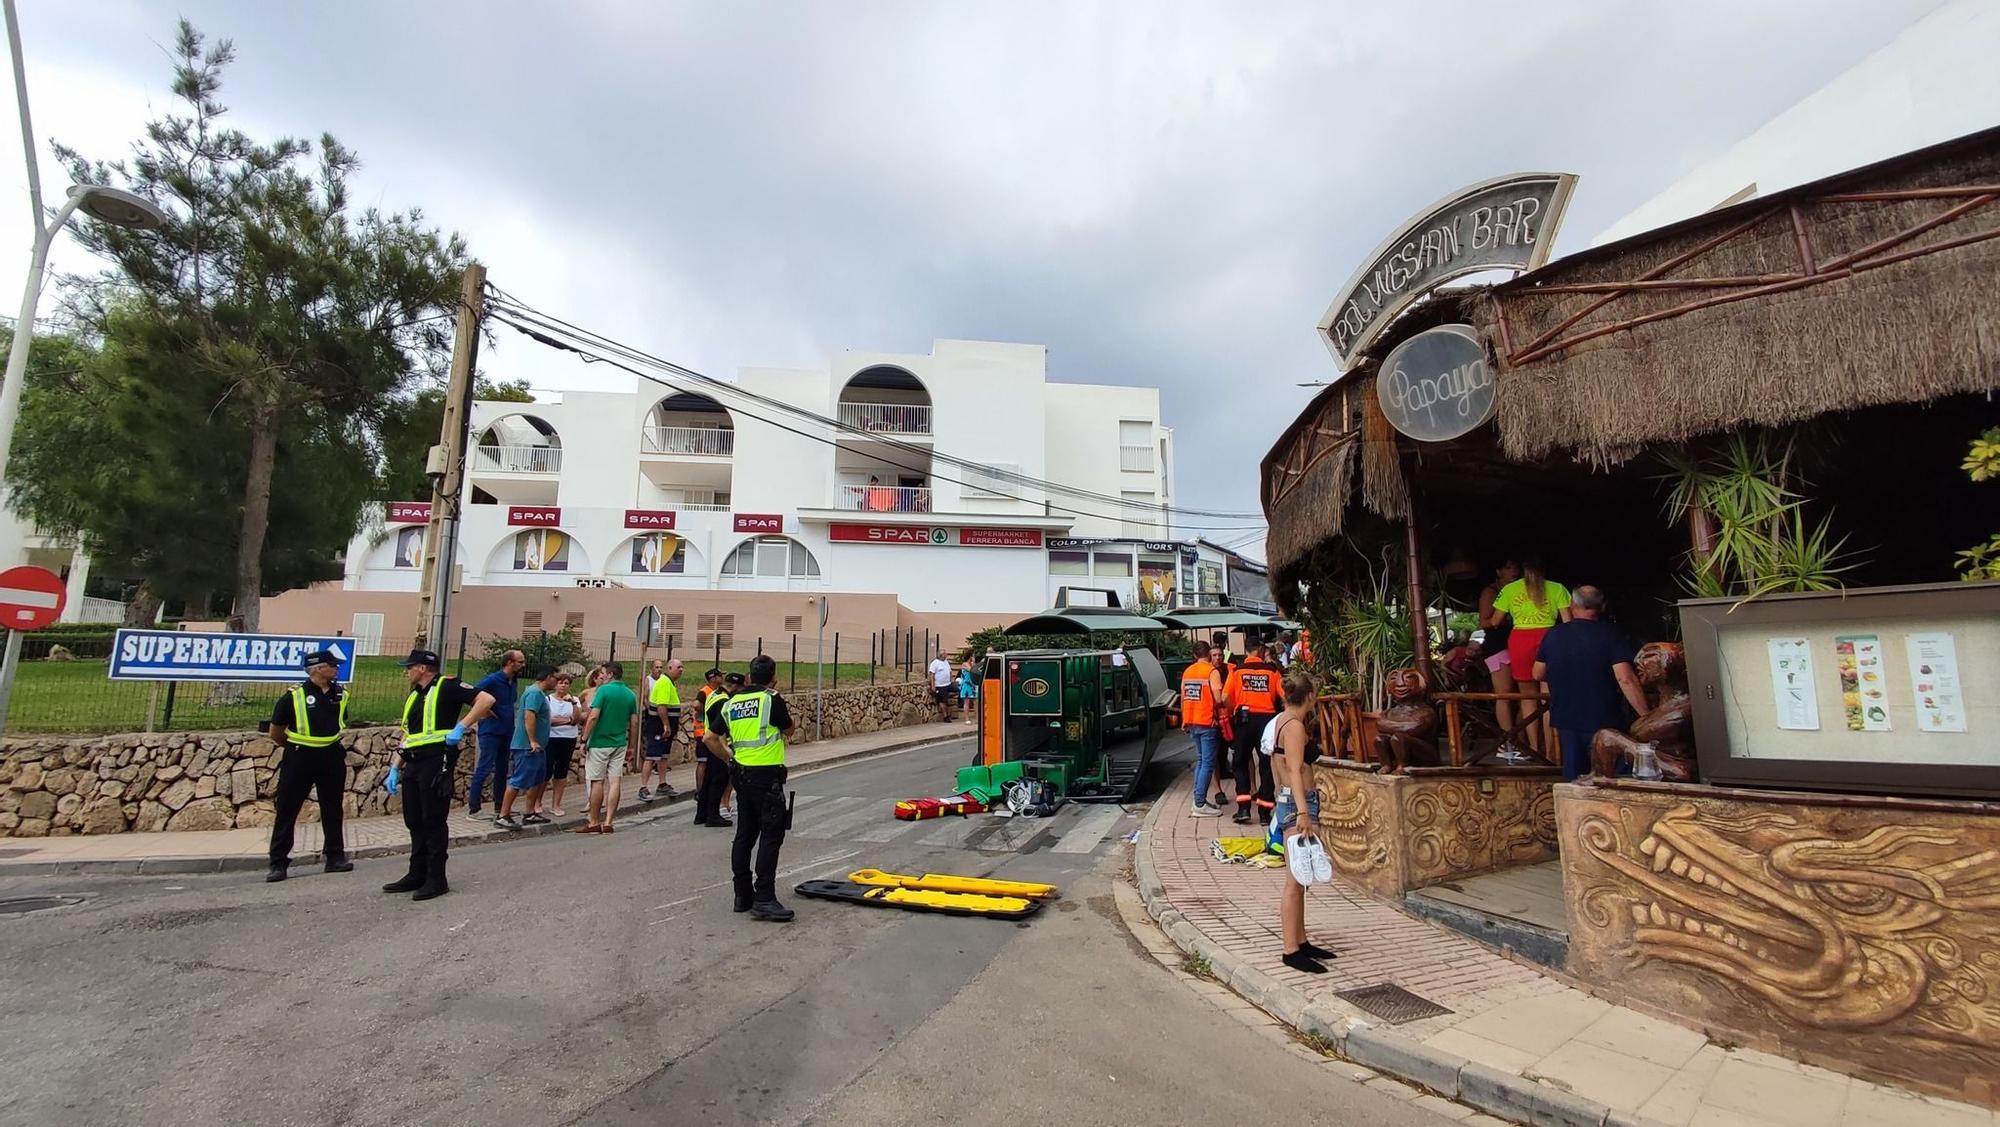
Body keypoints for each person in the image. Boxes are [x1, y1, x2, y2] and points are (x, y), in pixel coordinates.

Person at [384, 648, 497, 901]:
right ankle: (417, 873)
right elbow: (409, 735)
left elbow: (486, 700)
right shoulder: (415, 695)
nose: (407, 671)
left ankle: (436, 878)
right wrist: (394, 767)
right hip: (413, 762)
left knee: (433, 820)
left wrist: (461, 726)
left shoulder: (447, 686)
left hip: (437, 760)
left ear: (422, 668)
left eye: (410, 667)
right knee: (414, 819)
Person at [706, 654, 798, 922]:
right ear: (773, 677)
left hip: (742, 776)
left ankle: (742, 894)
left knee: (745, 833)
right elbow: (789, 730)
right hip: (767, 777)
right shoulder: (771, 698)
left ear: (748, 677)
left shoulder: (732, 701)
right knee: (771, 835)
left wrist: (730, 759)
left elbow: (711, 738)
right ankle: (765, 898)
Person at [1533, 586, 1649, 781]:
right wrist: (1647, 716)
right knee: (1612, 776)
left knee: (1574, 778)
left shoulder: (1553, 635)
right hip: (1605, 718)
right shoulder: (1612, 635)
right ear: (1602, 606)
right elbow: (1625, 679)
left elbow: (1537, 673)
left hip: (1566, 717)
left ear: (1572, 605)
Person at [265, 648, 353, 882]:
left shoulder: (341, 694)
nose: (336, 669)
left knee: (333, 808)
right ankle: (278, 863)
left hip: (331, 755)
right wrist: (295, 746)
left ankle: (335, 857)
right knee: (287, 809)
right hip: (300, 756)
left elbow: (342, 723)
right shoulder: (293, 696)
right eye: (332, 665)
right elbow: (275, 731)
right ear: (317, 669)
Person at [1270, 669, 1336, 974]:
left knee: (1301, 877)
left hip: (1289, 800)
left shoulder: (1281, 721)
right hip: (1298, 804)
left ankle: (1301, 939)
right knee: (1294, 882)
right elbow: (1295, 769)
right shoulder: (1294, 726)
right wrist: (1302, 812)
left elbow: (1277, 766)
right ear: (1310, 696)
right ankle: (1290, 949)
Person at [1491, 557, 1570, 756]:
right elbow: (1568, 621)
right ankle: (1553, 750)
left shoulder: (1509, 590)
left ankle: (1534, 749)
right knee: (1547, 697)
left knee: (1528, 698)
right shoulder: (1557, 588)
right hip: (1550, 638)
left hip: (1520, 641)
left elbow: (1494, 621)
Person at [1224, 643, 1284, 824]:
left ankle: (1243, 809)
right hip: (1266, 721)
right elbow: (1284, 695)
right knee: (1266, 765)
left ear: (1247, 651)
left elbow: (1224, 697)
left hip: (1244, 719)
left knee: (1240, 762)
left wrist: (1234, 709)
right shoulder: (1272, 672)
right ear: (1261, 652)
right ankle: (1265, 813)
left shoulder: (1237, 671)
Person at [577, 662, 640, 834]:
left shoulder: (603, 691)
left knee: (597, 781)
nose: (602, 676)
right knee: (615, 781)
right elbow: (634, 722)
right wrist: (632, 746)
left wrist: (584, 739)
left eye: (603, 673)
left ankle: (594, 821)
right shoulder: (629, 694)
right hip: (619, 743)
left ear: (610, 675)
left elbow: (593, 716)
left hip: (599, 742)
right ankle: (609, 821)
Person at [496, 665, 559, 830]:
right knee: (519, 780)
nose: (557, 682)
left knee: (537, 779)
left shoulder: (539, 694)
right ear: (548, 677)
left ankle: (529, 813)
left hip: (538, 746)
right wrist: (532, 740)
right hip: (527, 746)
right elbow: (529, 716)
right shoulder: (534, 694)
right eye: (556, 678)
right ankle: (503, 815)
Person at [467, 649, 524, 817]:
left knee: (502, 769)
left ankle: (501, 806)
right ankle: (474, 808)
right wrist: (484, 711)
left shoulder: (513, 681)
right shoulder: (492, 680)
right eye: (520, 662)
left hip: (507, 730)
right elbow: (472, 694)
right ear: (509, 662)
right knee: (484, 767)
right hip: (491, 731)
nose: (523, 665)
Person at [1180, 640, 1228, 817]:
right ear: (1208, 654)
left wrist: (1184, 720)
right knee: (1207, 763)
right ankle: (1199, 803)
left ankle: (1198, 800)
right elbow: (1217, 698)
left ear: (1194, 655)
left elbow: (1184, 697)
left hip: (1192, 721)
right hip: (1208, 722)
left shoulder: (1188, 671)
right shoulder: (1211, 671)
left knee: (1201, 761)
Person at [1477, 559, 1523, 744]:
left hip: (1519, 645)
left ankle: (1521, 739)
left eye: (1516, 567)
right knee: (1504, 693)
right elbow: (1485, 622)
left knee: (1526, 695)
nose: (1514, 571)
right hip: (1498, 645)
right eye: (1509, 567)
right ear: (1499, 571)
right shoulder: (1491, 592)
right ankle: (1507, 742)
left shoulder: (1521, 590)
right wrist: (1505, 618)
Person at [640, 658, 683, 802]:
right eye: (678, 667)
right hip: (658, 726)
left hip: (664, 727)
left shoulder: (668, 682)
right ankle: (643, 787)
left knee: (664, 755)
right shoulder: (665, 682)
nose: (681, 670)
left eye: (682, 667)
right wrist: (666, 725)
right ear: (670, 668)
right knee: (652, 756)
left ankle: (662, 784)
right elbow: (661, 706)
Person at [691, 667, 731, 826]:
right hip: (714, 741)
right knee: (718, 779)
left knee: (708, 778)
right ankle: (712, 815)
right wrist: (725, 749)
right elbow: (719, 727)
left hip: (708, 739)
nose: (722, 677)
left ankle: (701, 814)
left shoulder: (713, 695)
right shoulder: (719, 698)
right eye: (720, 675)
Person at [541, 672, 580, 817]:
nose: (563, 685)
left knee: (561, 772)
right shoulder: (548, 700)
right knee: (546, 771)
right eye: (560, 683)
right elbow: (549, 720)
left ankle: (556, 804)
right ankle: (537, 802)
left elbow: (577, 719)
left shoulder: (574, 700)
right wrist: (567, 721)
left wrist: (573, 705)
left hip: (568, 738)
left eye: (566, 683)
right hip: (551, 738)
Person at [928, 648, 954, 722]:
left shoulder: (946, 662)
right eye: (945, 654)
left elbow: (950, 671)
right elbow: (931, 675)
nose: (947, 655)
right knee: (943, 701)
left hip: (948, 684)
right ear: (941, 655)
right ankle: (946, 716)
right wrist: (933, 686)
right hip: (940, 685)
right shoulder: (935, 663)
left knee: (958, 688)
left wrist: (951, 680)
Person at [957, 658, 977, 723]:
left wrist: (973, 664)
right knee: (967, 701)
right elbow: (972, 670)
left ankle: (977, 717)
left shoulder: (972, 664)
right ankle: (967, 718)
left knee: (975, 701)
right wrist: (973, 664)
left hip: (972, 684)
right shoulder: (965, 664)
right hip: (966, 684)